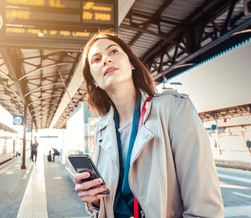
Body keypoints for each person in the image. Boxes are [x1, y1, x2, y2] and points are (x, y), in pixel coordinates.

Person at [72, 30, 224, 218]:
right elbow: (109, 201)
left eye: (113, 52)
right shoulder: (103, 130)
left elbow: (205, 209)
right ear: (94, 80)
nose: (106, 60)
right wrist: (95, 201)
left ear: (131, 63)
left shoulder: (173, 109)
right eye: (96, 59)